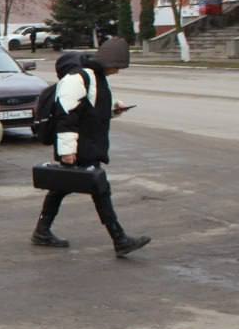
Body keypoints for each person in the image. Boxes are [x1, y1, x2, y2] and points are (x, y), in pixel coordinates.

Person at [31, 37, 151, 256]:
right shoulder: (78, 78)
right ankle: (119, 239)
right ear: (109, 61)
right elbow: (65, 116)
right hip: (79, 148)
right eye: (118, 66)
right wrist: (67, 152)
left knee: (60, 189)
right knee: (100, 189)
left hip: (87, 145)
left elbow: (92, 110)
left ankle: (42, 231)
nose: (118, 71)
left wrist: (115, 110)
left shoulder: (97, 77)